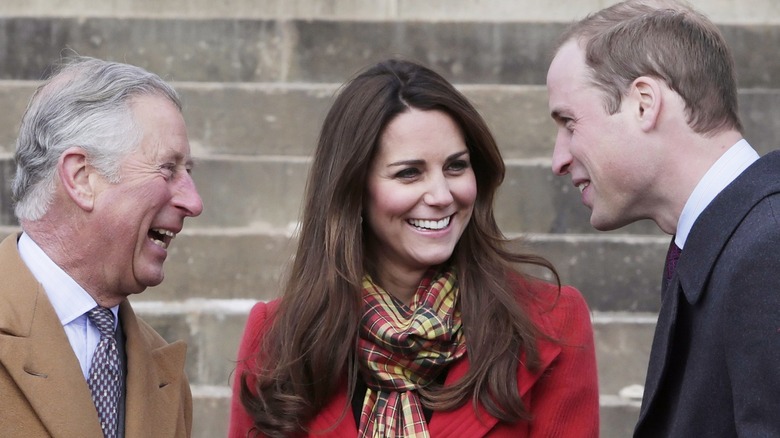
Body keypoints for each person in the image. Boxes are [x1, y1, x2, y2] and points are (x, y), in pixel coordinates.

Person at [230, 58, 599, 438]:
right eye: (409, 173)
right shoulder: (279, 337)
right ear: (354, 190)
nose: (441, 195)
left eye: (456, 167)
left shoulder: (553, 322)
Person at [546, 0, 780, 436]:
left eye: (569, 122)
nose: (559, 159)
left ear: (643, 103)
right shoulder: (734, 241)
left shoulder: (768, 248)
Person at [0, 56, 202, 437]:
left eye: (187, 172)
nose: (194, 202)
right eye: (167, 169)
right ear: (82, 177)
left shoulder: (163, 374)